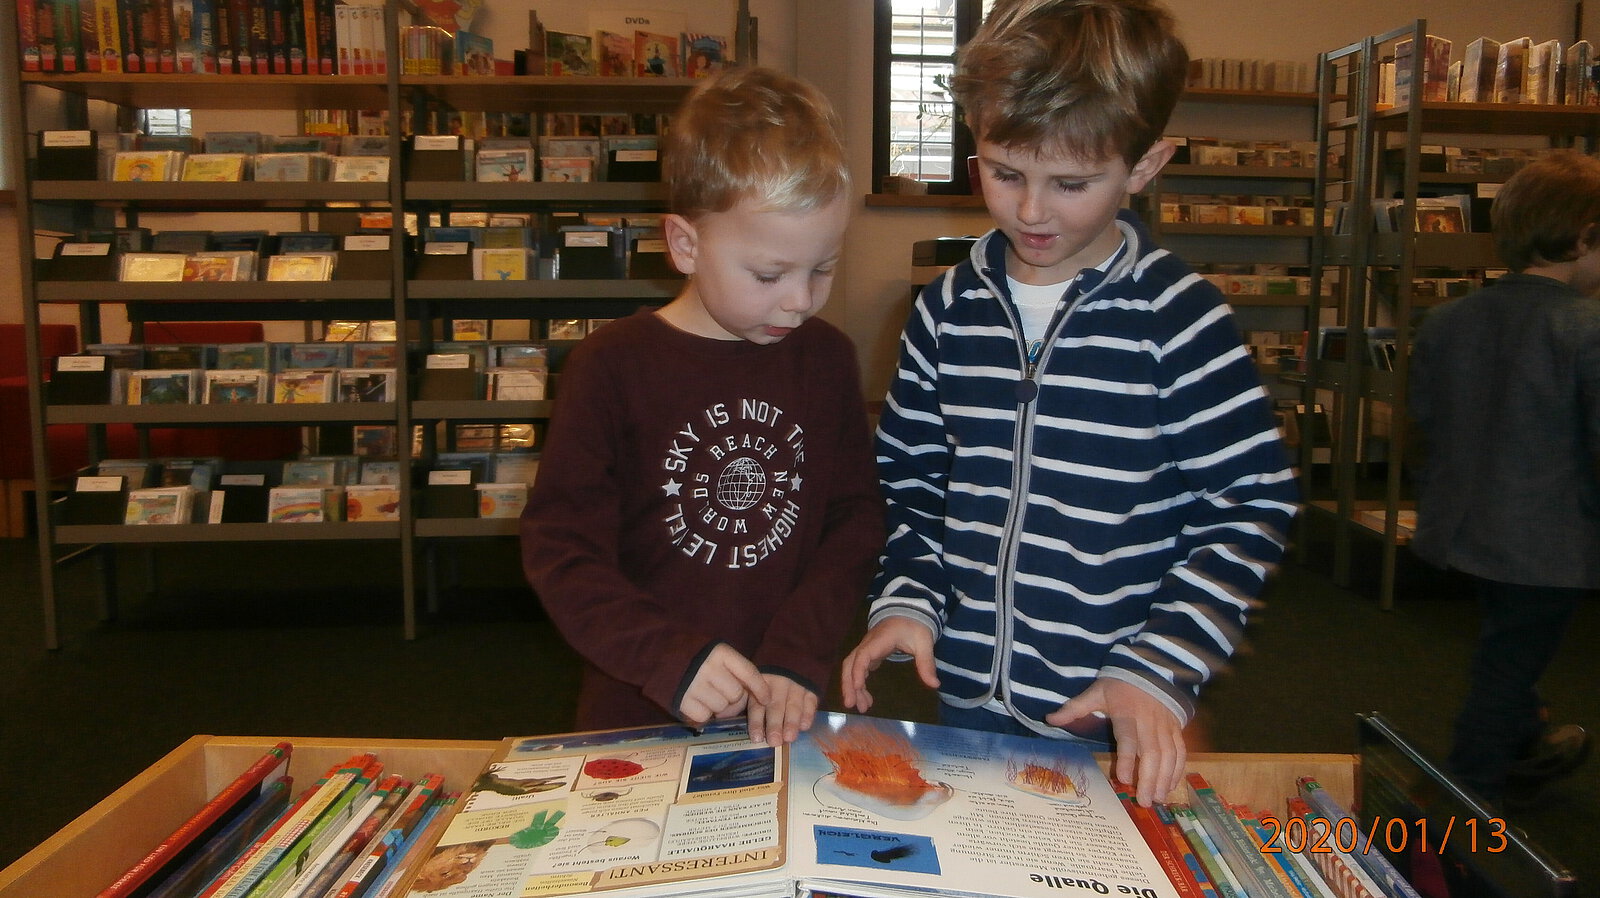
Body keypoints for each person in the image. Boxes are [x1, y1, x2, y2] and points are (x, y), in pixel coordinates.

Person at [840, 0, 1299, 807]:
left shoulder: (1180, 319)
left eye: (1072, 183)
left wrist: (1158, 667)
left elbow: (1247, 506)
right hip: (970, 698)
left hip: (1114, 706)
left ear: (1145, 167)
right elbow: (913, 485)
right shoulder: (947, 311)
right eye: (1005, 171)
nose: (1031, 211)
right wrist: (908, 599)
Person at [521, 66, 885, 746]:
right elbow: (561, 549)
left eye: (824, 267)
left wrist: (798, 653)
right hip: (639, 705)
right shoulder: (610, 367)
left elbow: (854, 519)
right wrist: (666, 657)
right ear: (686, 244)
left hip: (785, 706)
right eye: (770, 274)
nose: (801, 300)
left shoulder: (826, 358)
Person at [1409, 149, 1600, 807]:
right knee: (1508, 663)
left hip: (1464, 527)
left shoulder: (1448, 318)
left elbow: (1427, 423)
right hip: (1547, 542)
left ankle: (1528, 742)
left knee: (1509, 643)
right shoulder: (1587, 329)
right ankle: (1465, 797)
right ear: (1583, 239)